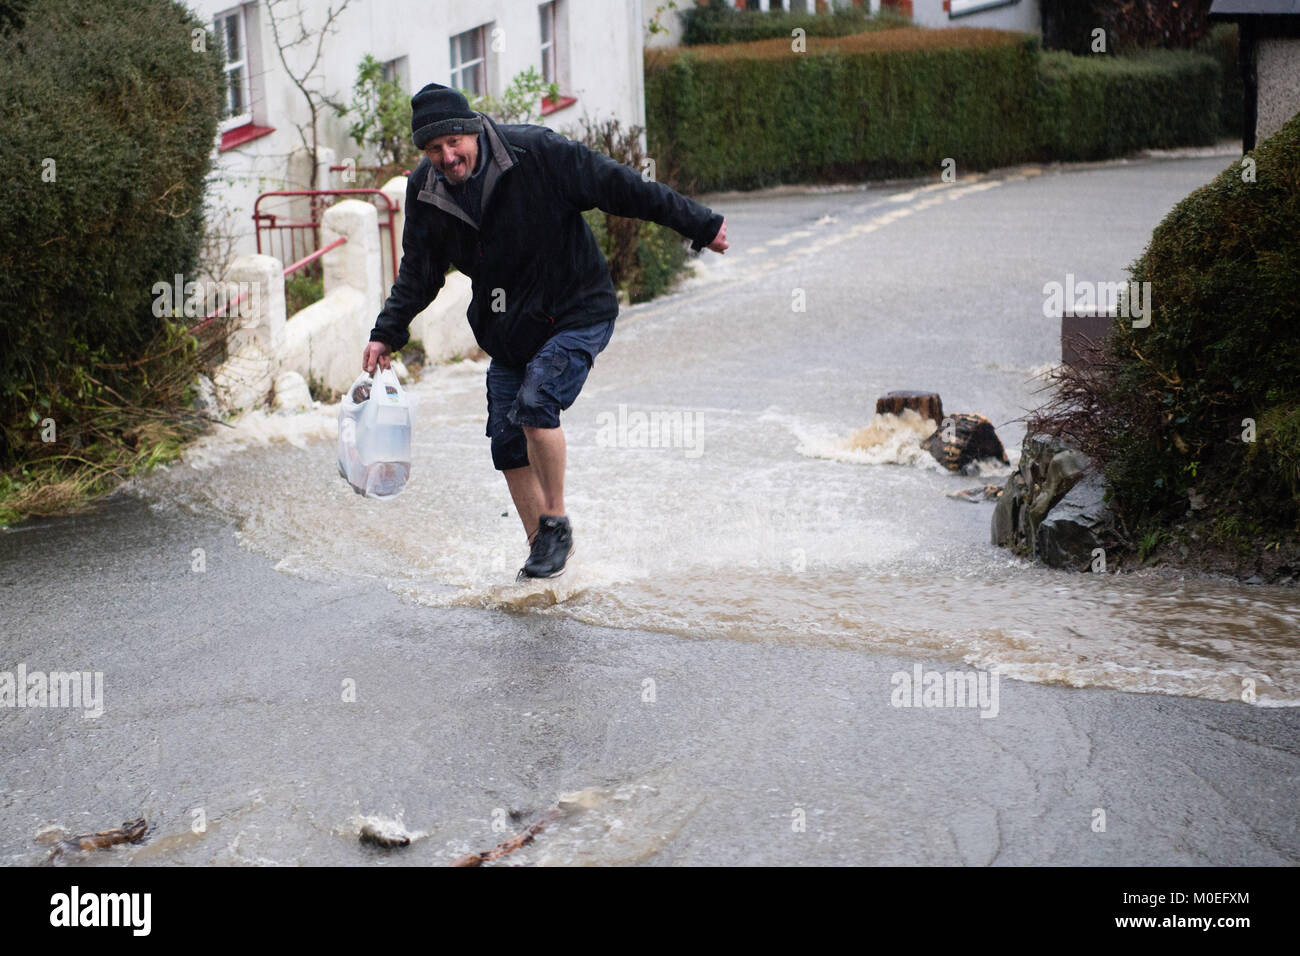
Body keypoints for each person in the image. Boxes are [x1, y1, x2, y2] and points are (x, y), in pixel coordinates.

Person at [362, 83, 729, 580]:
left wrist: (699, 223)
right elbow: (420, 272)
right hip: (509, 329)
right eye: (433, 149)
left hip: (576, 308)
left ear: (473, 130)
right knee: (506, 440)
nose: (447, 157)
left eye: (454, 143)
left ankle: (556, 524)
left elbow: (622, 186)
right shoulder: (427, 191)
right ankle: (543, 553)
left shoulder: (537, 153)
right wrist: (386, 332)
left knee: (537, 404)